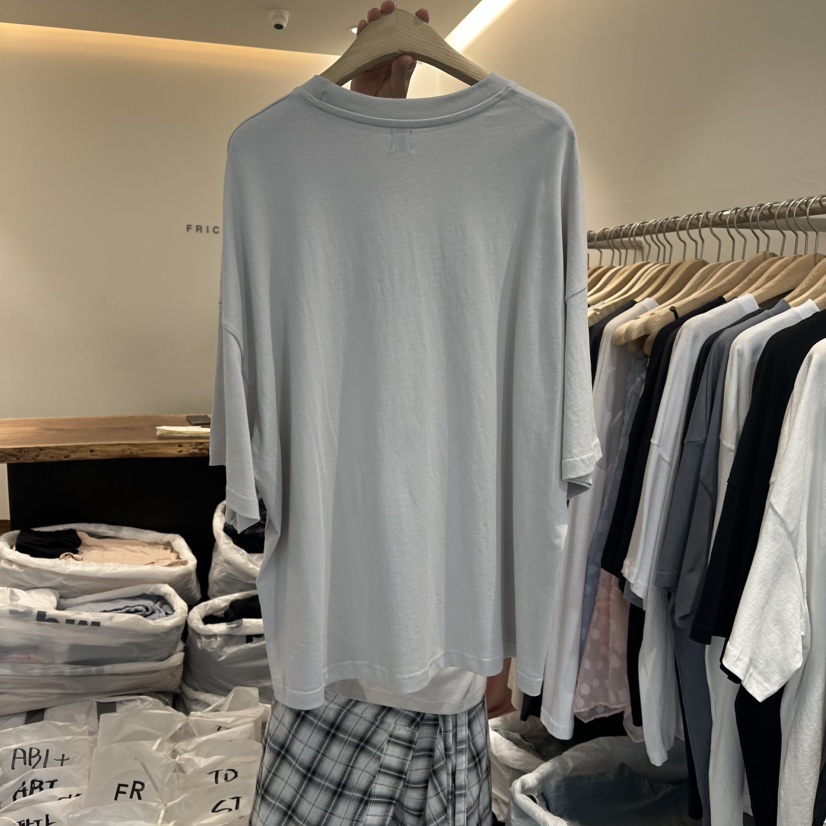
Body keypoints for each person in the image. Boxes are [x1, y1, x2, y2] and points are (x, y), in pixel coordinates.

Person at [248, 5, 496, 824]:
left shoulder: (512, 178)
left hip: (408, 659)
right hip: (343, 654)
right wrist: (371, 111)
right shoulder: (276, 171)